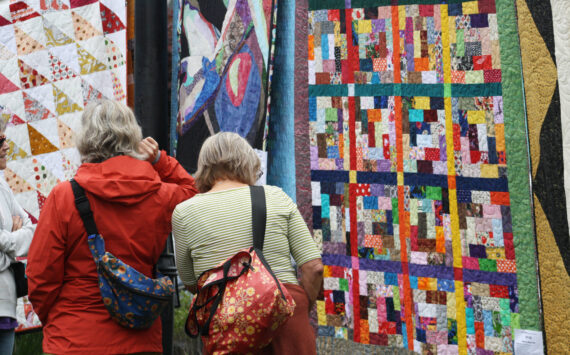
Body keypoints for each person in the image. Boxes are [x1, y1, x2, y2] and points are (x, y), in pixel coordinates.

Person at [27, 99, 198, 355]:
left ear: (85, 139)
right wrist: (160, 160)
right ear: (133, 138)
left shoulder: (64, 197)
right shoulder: (160, 195)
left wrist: (57, 320)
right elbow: (193, 196)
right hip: (139, 341)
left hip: (73, 339)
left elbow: (41, 278)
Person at [172, 132, 323, 355]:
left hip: (228, 323)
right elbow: (314, 268)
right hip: (287, 319)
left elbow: (192, 283)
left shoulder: (184, 212)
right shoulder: (275, 197)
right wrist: (296, 308)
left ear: (204, 166)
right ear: (250, 163)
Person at [0, 127, 36, 355]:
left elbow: (32, 228)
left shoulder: (2, 184)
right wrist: (12, 241)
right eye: (0, 140)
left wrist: (7, 240)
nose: (6, 146)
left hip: (5, 302)